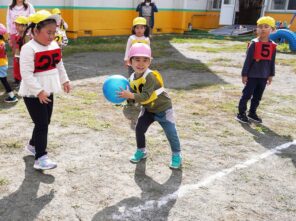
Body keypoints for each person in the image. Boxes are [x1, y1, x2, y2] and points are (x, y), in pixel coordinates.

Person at [19, 10, 71, 170]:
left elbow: (59, 64)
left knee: (45, 121)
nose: (52, 36)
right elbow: (26, 74)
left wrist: (65, 80)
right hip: (33, 93)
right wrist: (39, 91)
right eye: (48, 32)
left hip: (49, 89)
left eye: (54, 32)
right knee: (42, 124)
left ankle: (32, 146)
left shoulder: (54, 45)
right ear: (35, 31)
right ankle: (40, 158)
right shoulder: (28, 48)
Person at [118, 43, 182, 169]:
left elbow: (145, 96)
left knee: (170, 132)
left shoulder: (150, 76)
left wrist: (130, 95)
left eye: (145, 60)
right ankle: (141, 151)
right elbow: (133, 94)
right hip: (148, 109)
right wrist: (125, 100)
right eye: (137, 59)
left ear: (150, 62)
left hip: (163, 108)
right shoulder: (131, 78)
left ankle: (177, 154)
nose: (141, 63)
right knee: (139, 129)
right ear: (130, 62)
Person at [236, 16, 276, 124]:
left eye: (266, 27)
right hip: (252, 75)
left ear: (272, 29)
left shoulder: (272, 45)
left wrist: (271, 74)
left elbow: (272, 61)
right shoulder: (254, 44)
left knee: (258, 96)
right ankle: (241, 113)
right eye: (260, 27)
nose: (262, 29)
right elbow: (247, 60)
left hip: (263, 76)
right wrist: (244, 74)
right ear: (256, 29)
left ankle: (252, 113)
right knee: (247, 95)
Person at [0, 23, 18, 103]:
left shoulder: (1, 44)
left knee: (4, 81)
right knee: (4, 80)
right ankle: (12, 96)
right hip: (3, 64)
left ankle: (12, 97)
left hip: (1, 65)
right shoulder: (3, 42)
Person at [13, 15, 29, 86]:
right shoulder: (17, 35)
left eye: (18, 25)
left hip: (24, 57)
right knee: (16, 69)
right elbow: (16, 47)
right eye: (16, 25)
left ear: (25, 26)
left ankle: (22, 82)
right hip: (17, 56)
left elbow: (27, 48)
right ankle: (17, 80)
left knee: (23, 70)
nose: (16, 27)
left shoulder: (27, 36)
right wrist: (16, 55)